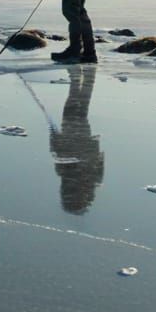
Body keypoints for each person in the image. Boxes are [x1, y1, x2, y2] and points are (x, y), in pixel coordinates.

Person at [50, 65, 104, 214]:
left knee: (80, 109)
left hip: (82, 140)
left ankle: (82, 79)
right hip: (75, 138)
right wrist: (54, 138)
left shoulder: (92, 181)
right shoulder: (77, 179)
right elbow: (58, 154)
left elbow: (99, 161)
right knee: (73, 110)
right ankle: (78, 78)